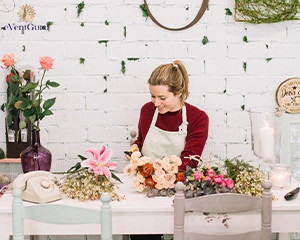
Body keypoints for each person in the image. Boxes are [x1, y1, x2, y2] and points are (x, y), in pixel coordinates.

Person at [126, 60, 209, 240]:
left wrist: (160, 174)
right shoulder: (147, 110)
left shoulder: (198, 118)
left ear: (179, 93)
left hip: (179, 191)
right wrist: (134, 152)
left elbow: (190, 161)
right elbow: (141, 142)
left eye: (162, 98)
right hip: (146, 190)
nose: (156, 103)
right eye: (152, 96)